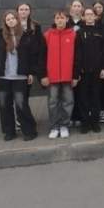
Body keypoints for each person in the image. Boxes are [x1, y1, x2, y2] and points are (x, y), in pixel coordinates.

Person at [0, 10, 38, 141]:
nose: (11, 21)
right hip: (3, 77)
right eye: (8, 19)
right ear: (5, 22)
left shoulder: (25, 36)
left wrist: (31, 72)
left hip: (20, 77)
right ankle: (9, 131)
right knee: (4, 105)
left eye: (13, 18)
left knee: (21, 104)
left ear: (17, 20)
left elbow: (32, 56)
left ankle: (29, 130)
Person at [39, 11, 77, 139]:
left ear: (67, 19)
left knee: (68, 101)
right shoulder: (47, 35)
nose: (60, 20)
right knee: (53, 102)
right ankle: (54, 127)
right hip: (52, 76)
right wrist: (43, 75)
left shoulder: (73, 35)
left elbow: (77, 57)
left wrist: (75, 75)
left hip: (68, 76)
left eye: (62, 18)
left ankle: (64, 125)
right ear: (54, 20)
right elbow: (41, 57)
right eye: (57, 18)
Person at [74, 8, 104, 133]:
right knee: (83, 98)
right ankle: (85, 123)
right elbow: (77, 53)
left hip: (97, 71)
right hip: (84, 71)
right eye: (87, 14)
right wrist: (78, 70)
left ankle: (95, 122)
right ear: (83, 17)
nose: (89, 16)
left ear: (95, 17)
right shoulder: (79, 32)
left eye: (91, 14)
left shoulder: (101, 32)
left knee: (95, 97)